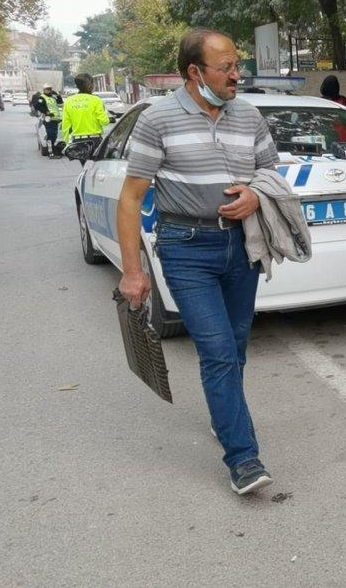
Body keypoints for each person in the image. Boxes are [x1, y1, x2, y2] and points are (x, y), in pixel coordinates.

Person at [115, 28, 280, 496]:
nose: (236, 74)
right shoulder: (158, 119)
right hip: (186, 248)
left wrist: (254, 193)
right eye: (226, 67)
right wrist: (133, 270)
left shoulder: (247, 116)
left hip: (242, 246)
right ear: (195, 72)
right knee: (218, 351)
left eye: (236, 65)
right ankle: (243, 458)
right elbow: (130, 200)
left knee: (237, 345)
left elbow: (270, 169)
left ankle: (223, 417)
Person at [55, 74, 109, 158]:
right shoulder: (96, 100)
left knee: (85, 166)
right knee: (95, 166)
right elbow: (104, 121)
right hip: (94, 141)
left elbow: (65, 125)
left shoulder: (69, 101)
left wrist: (67, 143)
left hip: (77, 142)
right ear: (91, 85)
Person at [33, 84, 63, 152]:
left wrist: (58, 96)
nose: (49, 90)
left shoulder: (53, 97)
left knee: (54, 135)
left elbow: (61, 104)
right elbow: (37, 106)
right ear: (44, 90)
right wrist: (46, 112)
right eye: (47, 89)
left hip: (55, 119)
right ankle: (50, 151)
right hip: (48, 119)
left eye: (50, 89)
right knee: (50, 135)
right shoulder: (42, 97)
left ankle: (52, 149)